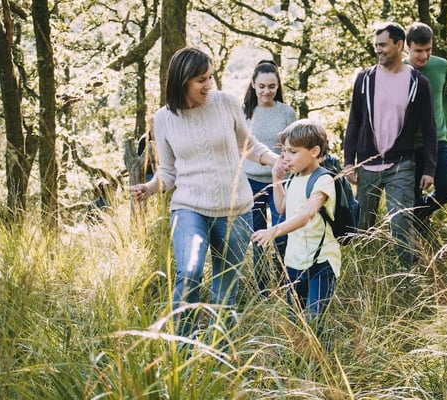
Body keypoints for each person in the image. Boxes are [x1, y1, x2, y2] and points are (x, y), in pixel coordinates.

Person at [130, 47, 281, 339]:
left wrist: (277, 161)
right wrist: (149, 189)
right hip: (189, 207)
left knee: (226, 292)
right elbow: (168, 173)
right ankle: (182, 347)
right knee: (189, 272)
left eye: (210, 77)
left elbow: (248, 145)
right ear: (182, 80)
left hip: (235, 208)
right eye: (201, 79)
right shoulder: (163, 118)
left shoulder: (225, 103)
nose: (208, 85)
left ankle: (219, 353)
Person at [343, 22, 437, 272]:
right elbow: (354, 121)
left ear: (399, 45)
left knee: (401, 221)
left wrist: (429, 168)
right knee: (364, 225)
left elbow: (429, 128)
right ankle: (363, 274)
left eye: (383, 45)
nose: (379, 50)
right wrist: (348, 161)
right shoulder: (365, 79)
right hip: (366, 165)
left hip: (401, 165)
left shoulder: (418, 83)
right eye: (376, 46)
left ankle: (404, 277)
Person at [252, 119, 341, 327]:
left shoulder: (323, 179)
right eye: (284, 151)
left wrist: (273, 231)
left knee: (314, 321)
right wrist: (276, 178)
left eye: (293, 152)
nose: (286, 158)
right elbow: (282, 206)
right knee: (296, 321)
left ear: (314, 151)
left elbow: (307, 214)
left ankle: (321, 358)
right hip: (294, 262)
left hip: (321, 263)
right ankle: (301, 359)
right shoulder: (293, 178)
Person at [242, 59, 296, 297]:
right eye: (262, 86)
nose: (266, 91)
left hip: (280, 182)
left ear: (278, 86)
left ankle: (286, 285)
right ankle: (264, 291)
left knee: (281, 235)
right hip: (250, 182)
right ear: (253, 84)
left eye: (271, 86)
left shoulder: (286, 112)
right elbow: (242, 147)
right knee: (258, 238)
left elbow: (296, 145)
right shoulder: (244, 113)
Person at [405, 22, 447, 227]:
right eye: (418, 51)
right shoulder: (398, 70)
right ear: (407, 46)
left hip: (438, 140)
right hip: (409, 144)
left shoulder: (441, 65)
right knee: (413, 194)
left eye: (428, 50)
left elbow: (446, 102)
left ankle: (418, 217)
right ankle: (417, 234)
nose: (424, 56)